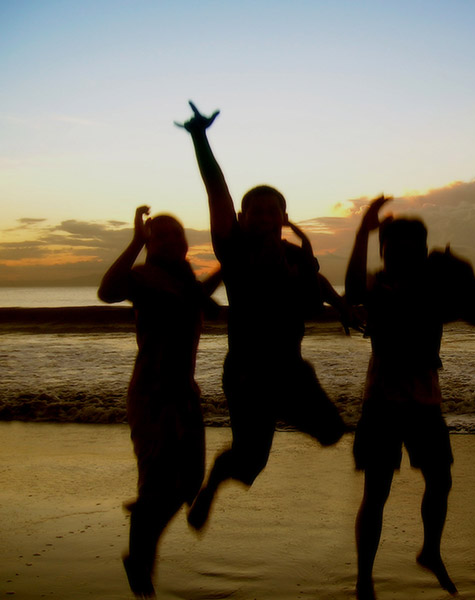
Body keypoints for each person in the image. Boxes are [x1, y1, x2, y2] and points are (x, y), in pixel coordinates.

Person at [176, 102, 346, 531]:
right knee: (249, 463)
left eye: (274, 212)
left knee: (332, 433)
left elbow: (316, 294)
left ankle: (276, 409)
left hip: (290, 370)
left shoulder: (297, 256)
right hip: (247, 374)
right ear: (242, 217)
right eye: (258, 211)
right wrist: (200, 138)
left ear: (284, 219)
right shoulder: (233, 250)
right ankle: (214, 482)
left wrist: (340, 304)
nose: (266, 217)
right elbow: (216, 190)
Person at [346, 196, 475, 600]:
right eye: (393, 249)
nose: (402, 256)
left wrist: (466, 282)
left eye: (412, 249)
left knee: (440, 480)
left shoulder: (433, 284)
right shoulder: (378, 284)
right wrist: (361, 232)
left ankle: (429, 550)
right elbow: (354, 290)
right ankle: (364, 578)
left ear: (423, 250)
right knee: (376, 491)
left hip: (425, 399)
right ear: (383, 251)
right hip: (382, 400)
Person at [98, 205, 221, 598]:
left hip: (183, 392)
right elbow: (107, 292)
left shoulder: (183, 279)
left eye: (176, 234)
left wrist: (228, 266)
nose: (170, 240)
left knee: (190, 481)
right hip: (153, 394)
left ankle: (144, 524)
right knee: (162, 483)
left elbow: (201, 301)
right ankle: (139, 557)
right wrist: (136, 240)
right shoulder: (143, 277)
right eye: (160, 235)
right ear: (150, 245)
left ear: (186, 242)